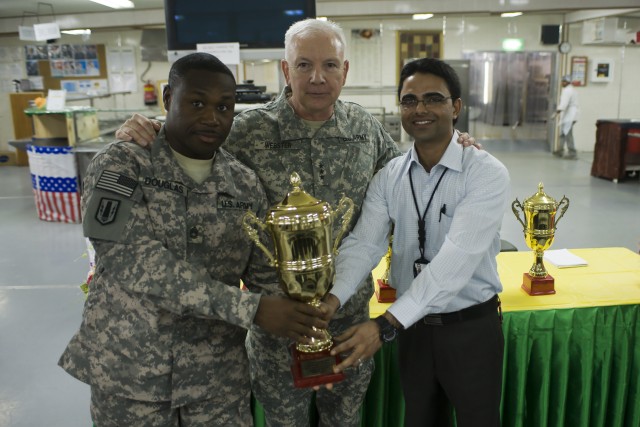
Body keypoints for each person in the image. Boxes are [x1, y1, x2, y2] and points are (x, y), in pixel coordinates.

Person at [115, 19, 478, 426]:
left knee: (344, 419)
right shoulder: (247, 132)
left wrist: (453, 143)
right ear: (286, 71)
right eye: (304, 65)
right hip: (277, 329)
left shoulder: (365, 130)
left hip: (348, 326)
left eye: (329, 65)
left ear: (345, 71)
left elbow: (408, 180)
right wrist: (149, 129)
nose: (317, 78)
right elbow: (191, 144)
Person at [59, 52, 327, 427]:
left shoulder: (244, 183)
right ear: (168, 98)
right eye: (197, 102)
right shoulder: (123, 164)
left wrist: (305, 341)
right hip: (131, 374)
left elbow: (266, 273)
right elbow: (134, 261)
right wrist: (252, 309)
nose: (212, 116)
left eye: (224, 106)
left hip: (217, 380)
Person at [325, 58, 510, 427]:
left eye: (433, 99)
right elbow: (364, 243)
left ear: (455, 107)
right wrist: (331, 300)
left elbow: (455, 261)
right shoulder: (390, 175)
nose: (420, 109)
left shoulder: (485, 173)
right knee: (420, 419)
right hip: (414, 330)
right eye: (409, 100)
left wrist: (385, 326)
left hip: (469, 329)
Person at [554, 74, 579, 160]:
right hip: (570, 114)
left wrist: (557, 112)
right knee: (563, 133)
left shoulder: (567, 91)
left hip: (570, 115)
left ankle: (572, 153)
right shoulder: (571, 89)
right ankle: (559, 150)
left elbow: (564, 104)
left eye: (563, 81)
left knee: (568, 134)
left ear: (567, 82)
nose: (562, 83)